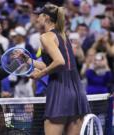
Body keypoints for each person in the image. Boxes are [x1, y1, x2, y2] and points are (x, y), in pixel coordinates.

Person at [29, 3, 91, 135]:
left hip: (60, 90)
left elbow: (59, 62)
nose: (36, 18)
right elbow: (56, 65)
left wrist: (40, 75)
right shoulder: (63, 35)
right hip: (77, 92)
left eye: (39, 15)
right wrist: (28, 61)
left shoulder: (45, 37)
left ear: (46, 17)